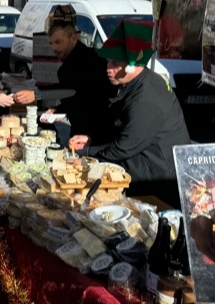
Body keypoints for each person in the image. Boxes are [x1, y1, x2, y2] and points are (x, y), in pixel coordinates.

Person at [70, 19, 190, 207]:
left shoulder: (145, 100)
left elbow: (126, 146)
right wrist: (92, 141)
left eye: (115, 63)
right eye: (108, 61)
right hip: (148, 161)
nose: (108, 69)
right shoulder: (139, 83)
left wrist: (88, 157)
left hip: (157, 178)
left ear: (132, 64)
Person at [13, 21, 117, 140]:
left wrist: (36, 94)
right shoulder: (66, 67)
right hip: (81, 127)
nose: (54, 48)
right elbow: (77, 96)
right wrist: (59, 110)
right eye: (51, 43)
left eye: (58, 42)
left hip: (98, 128)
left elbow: (73, 89)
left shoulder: (89, 59)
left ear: (73, 38)